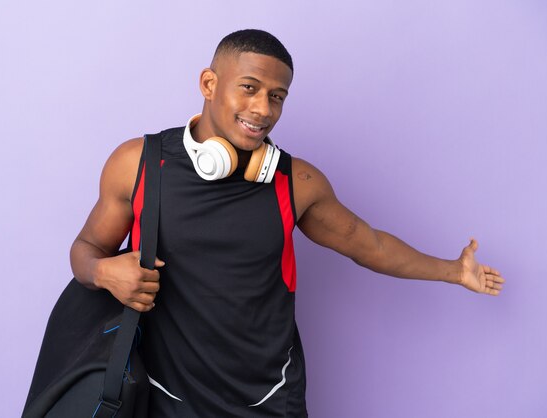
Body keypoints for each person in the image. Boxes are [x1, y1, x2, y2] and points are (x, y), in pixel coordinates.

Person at [70, 29, 505, 417]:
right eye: (249, 88)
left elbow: (369, 244)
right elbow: (86, 248)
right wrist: (103, 271)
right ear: (209, 83)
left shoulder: (297, 182)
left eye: (276, 96)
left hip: (268, 397)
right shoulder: (138, 163)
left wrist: (454, 270)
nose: (262, 109)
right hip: (162, 394)